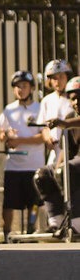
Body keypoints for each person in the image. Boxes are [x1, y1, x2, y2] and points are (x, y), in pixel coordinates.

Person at [0, 71, 45, 241]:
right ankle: (7, 233)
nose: (20, 89)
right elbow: (1, 133)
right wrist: (7, 135)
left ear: (31, 88)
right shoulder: (9, 109)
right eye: (17, 86)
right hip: (14, 165)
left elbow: (43, 137)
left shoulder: (39, 109)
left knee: (34, 203)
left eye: (24, 86)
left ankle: (31, 230)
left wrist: (21, 141)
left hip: (34, 164)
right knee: (9, 202)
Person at [34, 75, 80, 236]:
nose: (77, 102)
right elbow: (66, 152)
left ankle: (77, 222)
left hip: (77, 166)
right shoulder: (69, 119)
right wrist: (57, 169)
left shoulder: (69, 122)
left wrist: (65, 124)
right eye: (73, 99)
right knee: (44, 174)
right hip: (76, 162)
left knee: (69, 171)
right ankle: (57, 221)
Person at [36, 58, 73, 165]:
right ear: (49, 81)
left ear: (67, 77)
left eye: (61, 76)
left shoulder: (74, 98)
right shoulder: (46, 101)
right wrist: (47, 138)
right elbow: (43, 127)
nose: (58, 81)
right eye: (54, 78)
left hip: (73, 149)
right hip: (55, 152)